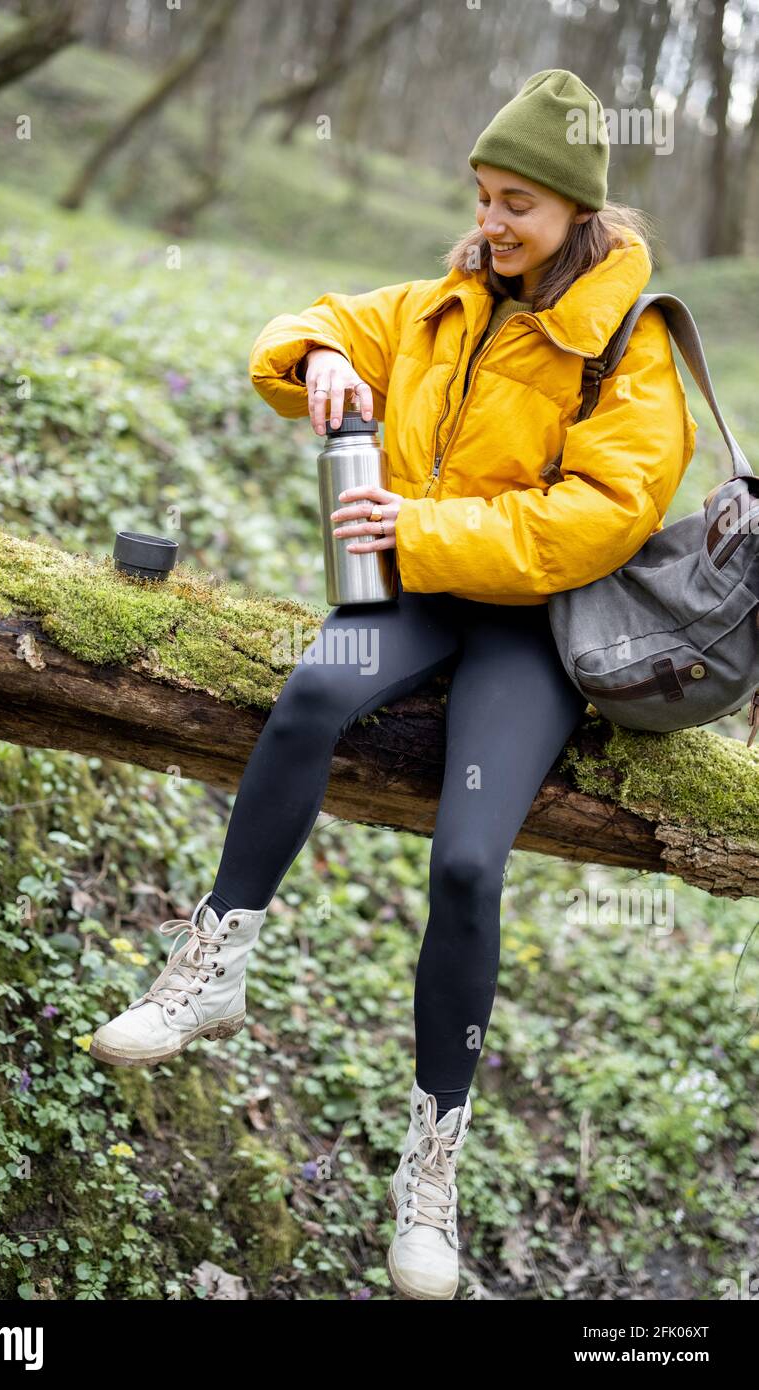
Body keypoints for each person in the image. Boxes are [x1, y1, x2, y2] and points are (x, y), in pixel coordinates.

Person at [90, 69, 698, 1300]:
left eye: (517, 201)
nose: (492, 220)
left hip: (537, 626)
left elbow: (593, 522)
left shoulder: (631, 348)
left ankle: (432, 1174)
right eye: (482, 195)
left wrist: (413, 524)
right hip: (412, 591)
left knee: (469, 862)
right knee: (315, 691)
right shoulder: (442, 304)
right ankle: (213, 968)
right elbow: (304, 323)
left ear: (579, 209)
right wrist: (315, 358)